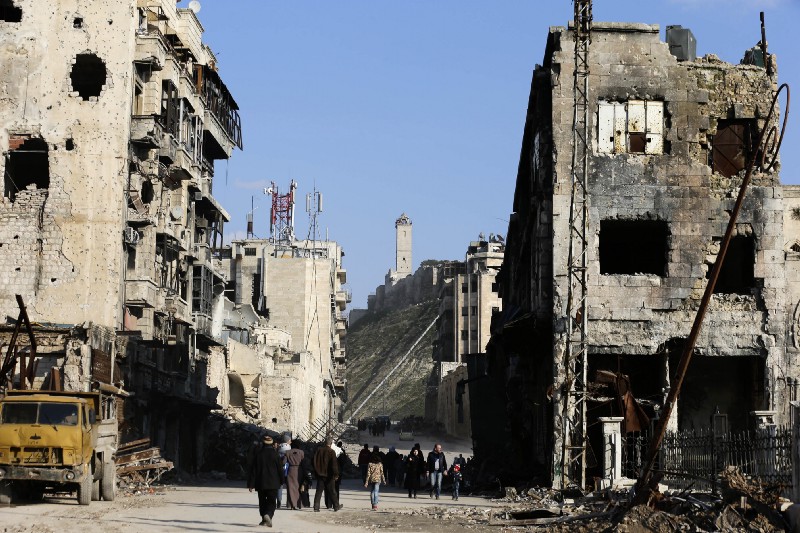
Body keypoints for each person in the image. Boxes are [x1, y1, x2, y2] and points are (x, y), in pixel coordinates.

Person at [247, 434, 285, 528]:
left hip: (261, 483)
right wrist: (282, 481)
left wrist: (251, 484)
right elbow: (280, 469)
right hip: (273, 483)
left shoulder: (258, 455)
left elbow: (253, 470)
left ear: (263, 444)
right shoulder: (275, 454)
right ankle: (268, 515)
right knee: (272, 502)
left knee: (262, 501)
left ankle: (264, 518)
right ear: (272, 444)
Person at [313, 438, 342, 512]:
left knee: (319, 491)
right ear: (331, 444)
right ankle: (336, 506)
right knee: (332, 491)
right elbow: (334, 465)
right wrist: (336, 474)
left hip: (320, 474)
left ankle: (316, 507)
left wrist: (316, 471)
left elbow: (314, 461)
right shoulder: (331, 452)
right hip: (329, 475)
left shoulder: (319, 451)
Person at [284, 440, 304, 509]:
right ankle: (298, 504)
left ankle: (291, 504)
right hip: (299, 470)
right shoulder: (301, 452)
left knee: (290, 487)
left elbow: (284, 462)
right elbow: (304, 461)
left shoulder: (287, 452)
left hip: (291, 470)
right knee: (298, 487)